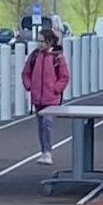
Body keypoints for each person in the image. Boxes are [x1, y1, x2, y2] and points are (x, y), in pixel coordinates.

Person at [23, 20, 71, 157]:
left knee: (47, 124)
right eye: (38, 41)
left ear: (50, 42)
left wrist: (56, 89)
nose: (40, 44)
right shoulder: (34, 56)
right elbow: (26, 73)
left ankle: (47, 151)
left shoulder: (57, 58)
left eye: (42, 41)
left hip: (51, 98)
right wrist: (29, 86)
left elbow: (64, 77)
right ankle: (43, 150)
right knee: (40, 126)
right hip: (37, 98)